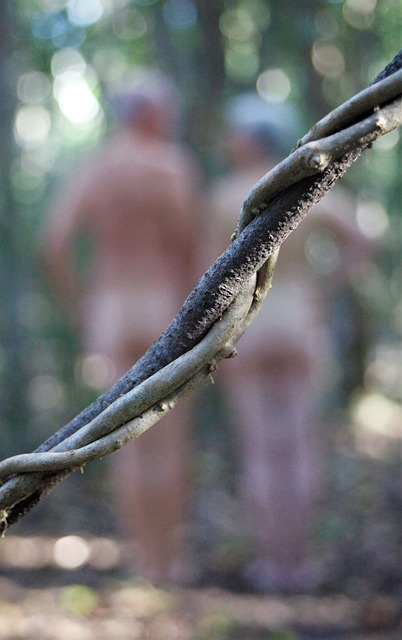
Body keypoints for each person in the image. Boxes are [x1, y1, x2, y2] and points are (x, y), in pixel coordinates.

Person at [208, 93, 373, 592]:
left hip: (248, 330)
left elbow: (204, 278)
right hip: (299, 321)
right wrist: (322, 292)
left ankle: (271, 566)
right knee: (298, 447)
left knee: (261, 448)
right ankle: (299, 564)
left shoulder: (223, 194)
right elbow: (365, 240)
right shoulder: (306, 186)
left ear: (250, 139)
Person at [42, 72, 201, 585]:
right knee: (169, 438)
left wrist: (81, 308)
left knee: (124, 442)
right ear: (153, 113)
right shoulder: (174, 167)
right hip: (164, 310)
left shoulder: (97, 167)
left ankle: (140, 561)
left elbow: (55, 243)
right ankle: (168, 562)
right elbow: (191, 247)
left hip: (110, 310)